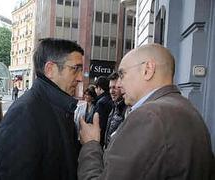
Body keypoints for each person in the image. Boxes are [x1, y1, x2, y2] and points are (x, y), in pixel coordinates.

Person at [78, 43, 214, 180]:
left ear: (147, 70)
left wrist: (90, 145)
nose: (119, 84)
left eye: (122, 74)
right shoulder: (188, 109)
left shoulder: (148, 116)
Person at [0, 38, 84, 179]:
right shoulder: (24, 114)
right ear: (50, 69)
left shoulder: (61, 108)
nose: (80, 78)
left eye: (81, 70)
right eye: (75, 69)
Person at [104, 71, 127, 148]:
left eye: (114, 87)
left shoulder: (127, 110)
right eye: (110, 88)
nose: (111, 91)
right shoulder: (114, 106)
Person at [88, 76, 112, 146]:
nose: (95, 90)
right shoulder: (110, 99)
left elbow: (99, 124)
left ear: (100, 88)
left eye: (96, 88)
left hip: (99, 140)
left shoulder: (101, 102)